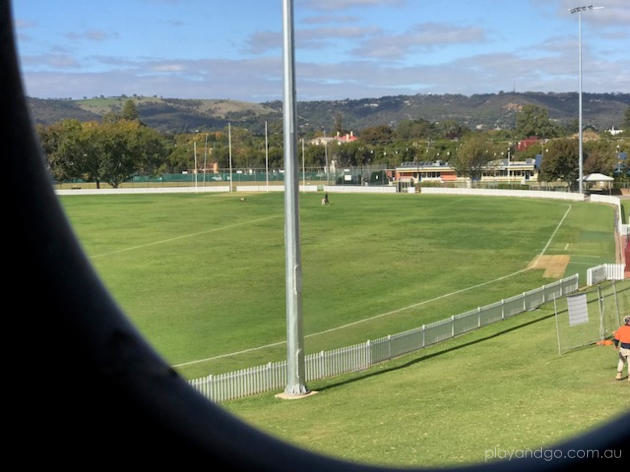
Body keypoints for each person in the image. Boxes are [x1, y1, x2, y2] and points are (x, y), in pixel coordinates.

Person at [613, 315, 630, 382]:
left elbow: (616, 339)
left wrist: (616, 345)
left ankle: (619, 374)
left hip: (622, 348)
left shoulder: (621, 328)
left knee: (621, 361)